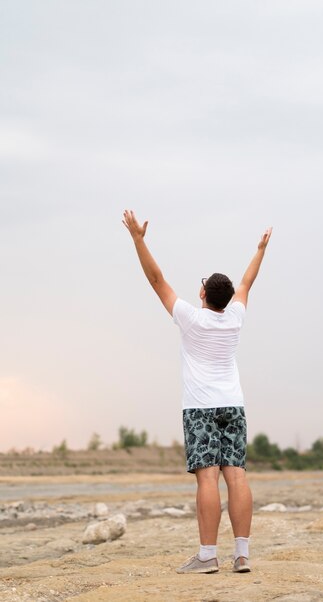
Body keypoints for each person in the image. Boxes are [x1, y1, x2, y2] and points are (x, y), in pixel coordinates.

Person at [122, 210, 272, 574]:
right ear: (227, 297)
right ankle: (241, 555)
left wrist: (138, 240)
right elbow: (247, 284)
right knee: (236, 474)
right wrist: (260, 251)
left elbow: (157, 280)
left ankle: (207, 556)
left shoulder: (190, 317)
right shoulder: (235, 318)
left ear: (203, 293)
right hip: (233, 405)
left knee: (208, 477)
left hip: (200, 408)